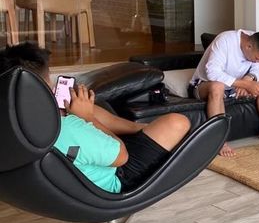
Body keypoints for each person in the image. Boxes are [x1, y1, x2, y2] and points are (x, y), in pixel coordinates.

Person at [0, 43, 191, 194]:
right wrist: (86, 118)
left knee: (81, 106)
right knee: (177, 122)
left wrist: (82, 114)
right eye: (48, 79)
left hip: (60, 186)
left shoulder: (12, 123)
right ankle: (144, 131)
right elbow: (122, 157)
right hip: (112, 183)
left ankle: (140, 129)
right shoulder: (67, 127)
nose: (52, 84)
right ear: (35, 87)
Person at [190, 29, 259, 157]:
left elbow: (258, 70)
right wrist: (243, 84)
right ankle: (219, 141)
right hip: (204, 84)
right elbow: (212, 72)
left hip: (233, 86)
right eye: (256, 58)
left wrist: (248, 79)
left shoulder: (256, 41)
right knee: (217, 86)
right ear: (248, 46)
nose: (257, 61)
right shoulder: (225, 40)